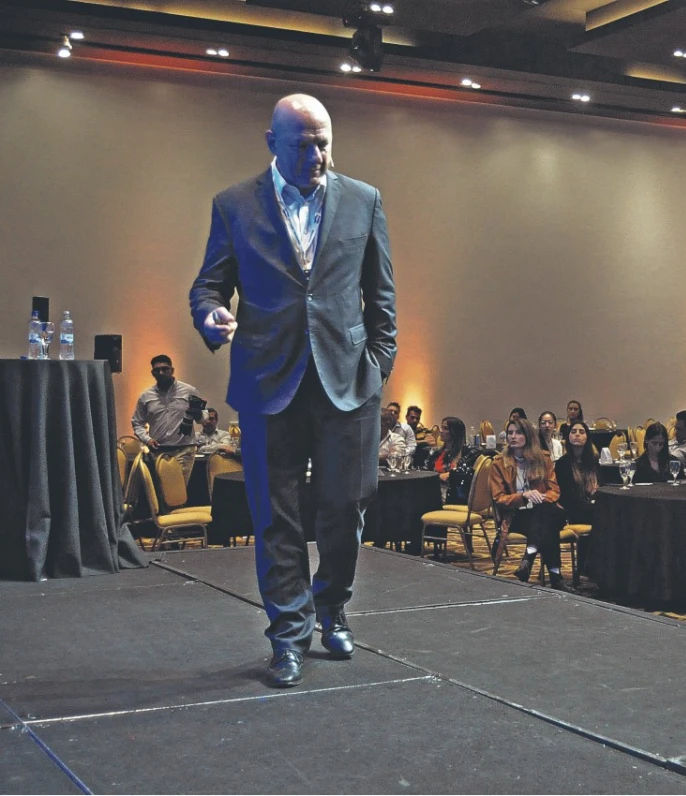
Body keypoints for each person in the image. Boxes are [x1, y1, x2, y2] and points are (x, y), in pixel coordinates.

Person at [189, 94, 397, 688]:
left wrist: (377, 366)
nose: (317, 154)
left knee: (344, 508)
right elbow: (208, 287)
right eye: (303, 144)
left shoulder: (364, 200)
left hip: (347, 385)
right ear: (271, 142)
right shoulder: (233, 205)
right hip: (266, 383)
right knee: (274, 518)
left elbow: (381, 298)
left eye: (324, 141)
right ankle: (288, 634)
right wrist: (209, 318)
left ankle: (330, 605)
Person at [490, 417, 568, 589]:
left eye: (518, 433)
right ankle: (556, 577)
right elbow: (499, 499)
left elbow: (554, 491)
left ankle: (529, 556)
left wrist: (539, 497)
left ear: (528, 436)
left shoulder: (543, 460)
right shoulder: (499, 464)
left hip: (543, 511)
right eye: (510, 433)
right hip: (517, 516)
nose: (513, 436)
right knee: (549, 526)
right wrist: (523, 496)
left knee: (546, 514)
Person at [132, 354, 201, 484]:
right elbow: (137, 423)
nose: (161, 372)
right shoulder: (146, 396)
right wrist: (147, 440)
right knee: (161, 491)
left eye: (165, 369)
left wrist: (198, 413)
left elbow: (202, 418)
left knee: (177, 490)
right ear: (152, 373)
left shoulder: (189, 391)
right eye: (157, 370)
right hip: (158, 450)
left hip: (184, 449)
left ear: (172, 370)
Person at [423, 417, 481, 506]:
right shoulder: (435, 453)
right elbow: (425, 472)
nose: (441, 431)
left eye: (445, 428)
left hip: (457, 494)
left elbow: (467, 474)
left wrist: (452, 475)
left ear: (455, 432)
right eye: (441, 427)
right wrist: (439, 476)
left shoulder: (468, 452)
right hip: (435, 489)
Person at [555, 421, 600, 525]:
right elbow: (565, 495)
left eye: (581, 432)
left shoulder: (594, 462)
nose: (577, 434)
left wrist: (595, 492)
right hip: (571, 509)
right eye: (573, 431)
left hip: (591, 505)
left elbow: (600, 486)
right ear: (568, 437)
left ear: (587, 437)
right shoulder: (562, 463)